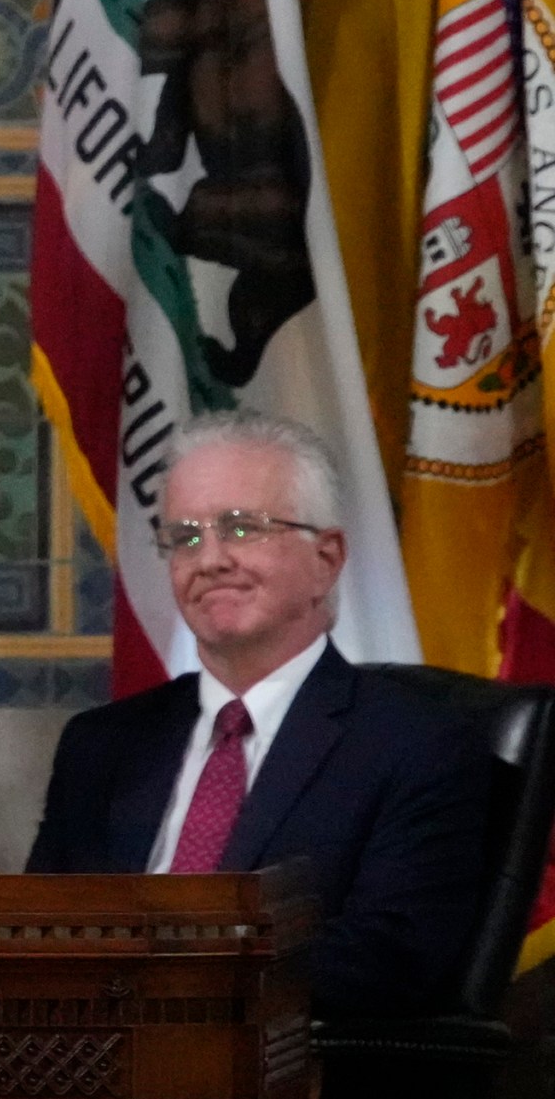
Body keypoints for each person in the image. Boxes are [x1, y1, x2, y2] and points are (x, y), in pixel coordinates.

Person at [25, 410, 490, 1021]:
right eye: (185, 537)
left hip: (291, 1086)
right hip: (89, 1074)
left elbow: (388, 962)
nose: (210, 558)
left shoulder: (418, 745)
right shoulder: (103, 745)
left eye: (241, 529)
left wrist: (172, 982)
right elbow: (35, 933)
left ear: (326, 558)